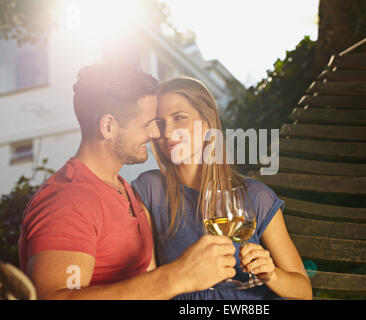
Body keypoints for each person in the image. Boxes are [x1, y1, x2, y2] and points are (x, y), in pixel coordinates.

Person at [18, 64, 237, 300]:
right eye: (148, 123)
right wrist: (177, 277)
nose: (156, 133)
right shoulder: (70, 201)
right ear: (108, 126)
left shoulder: (122, 188)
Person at [132, 77, 313, 300]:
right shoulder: (150, 190)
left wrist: (272, 274)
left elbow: (303, 292)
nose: (167, 132)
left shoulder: (256, 196)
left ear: (207, 123)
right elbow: (148, 286)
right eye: (160, 123)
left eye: (179, 118)